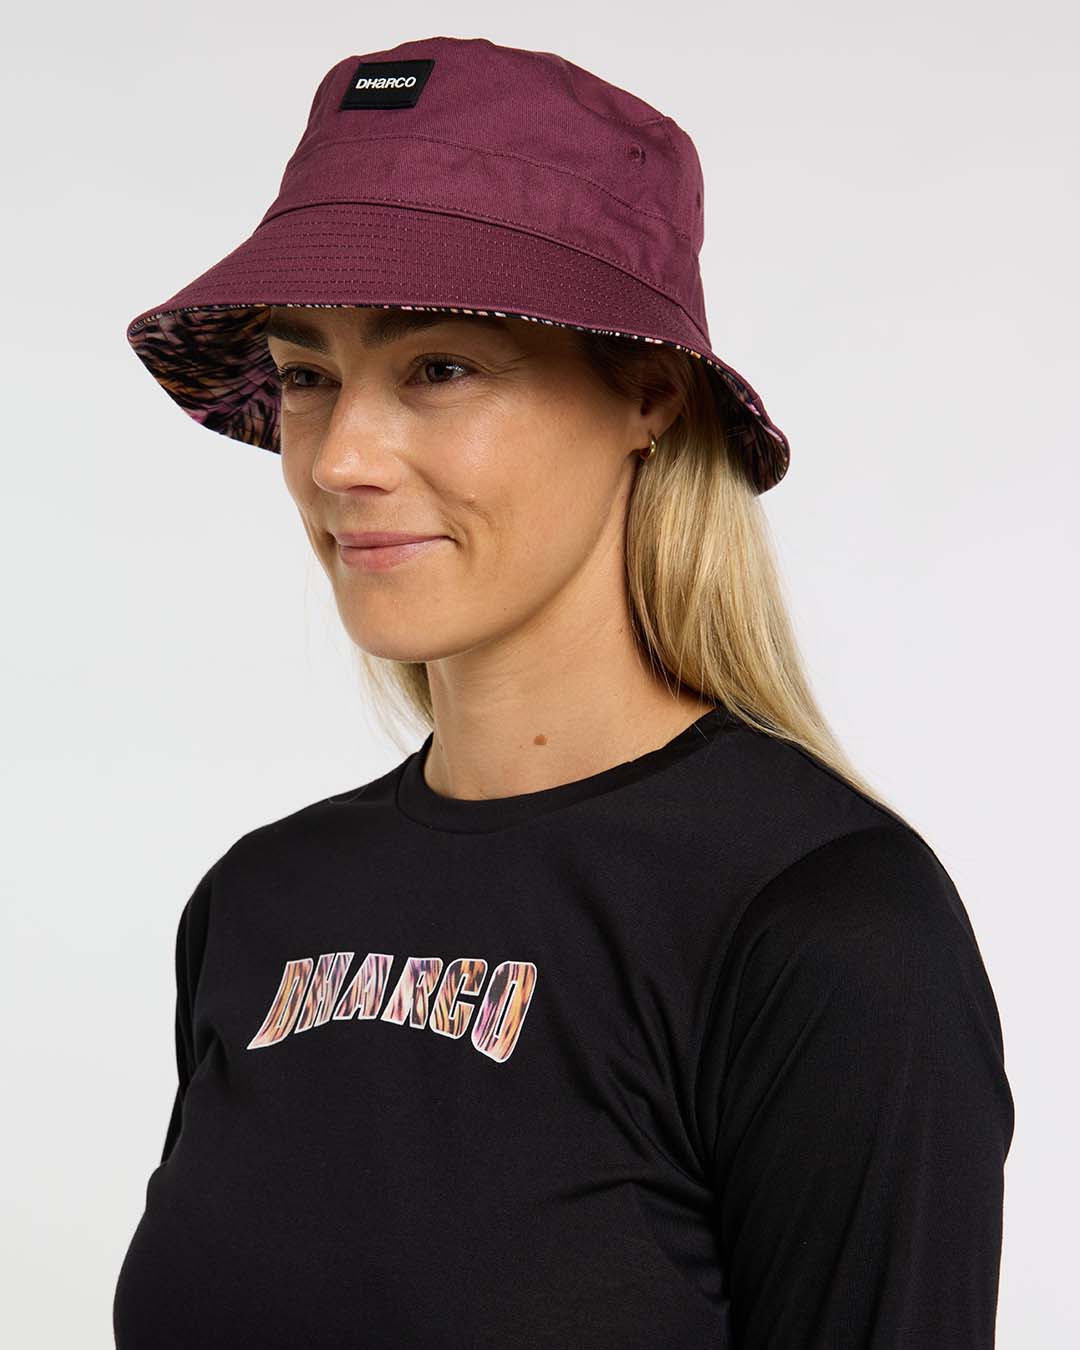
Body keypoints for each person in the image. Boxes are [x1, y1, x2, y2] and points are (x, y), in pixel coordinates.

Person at [112, 35, 1014, 1350]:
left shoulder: (825, 930)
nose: (342, 457)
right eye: (308, 375)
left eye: (438, 368)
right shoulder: (260, 901)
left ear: (647, 394)